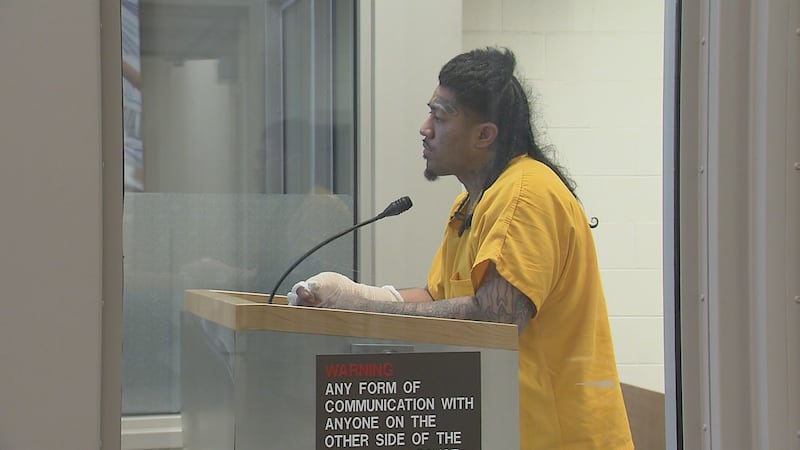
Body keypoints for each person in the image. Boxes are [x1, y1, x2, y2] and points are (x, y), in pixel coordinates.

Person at [291, 47, 634, 450]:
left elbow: (497, 316)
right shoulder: (469, 205)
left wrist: (367, 308)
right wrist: (351, 295)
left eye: (440, 116)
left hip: (556, 437)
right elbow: (440, 297)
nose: (424, 128)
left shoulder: (526, 193)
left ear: (484, 134)